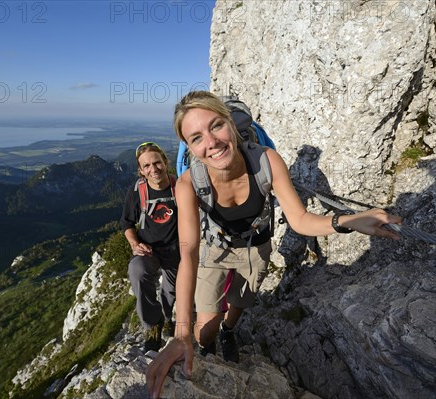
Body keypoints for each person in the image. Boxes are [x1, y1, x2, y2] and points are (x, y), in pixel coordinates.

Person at [146, 91, 402, 398]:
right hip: (215, 248)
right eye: (197, 137)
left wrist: (347, 221)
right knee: (206, 324)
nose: (211, 142)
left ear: (229, 122)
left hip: (257, 245)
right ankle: (206, 344)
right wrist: (182, 333)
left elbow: (300, 218)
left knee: (240, 302)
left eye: (216, 126)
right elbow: (188, 252)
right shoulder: (189, 183)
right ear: (189, 148)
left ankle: (230, 332)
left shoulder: (266, 161)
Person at [120, 141, 180, 352]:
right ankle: (153, 326)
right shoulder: (137, 191)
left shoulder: (179, 187)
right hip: (148, 250)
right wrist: (135, 244)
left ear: (166, 162)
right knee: (138, 271)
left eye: (157, 163)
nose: (153, 169)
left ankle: (167, 317)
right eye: (147, 166)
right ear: (141, 171)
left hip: (175, 250)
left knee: (171, 291)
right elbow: (127, 223)